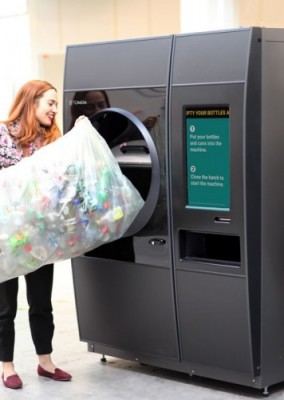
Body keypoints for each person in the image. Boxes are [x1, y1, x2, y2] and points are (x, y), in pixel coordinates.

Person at [0, 80, 72, 389]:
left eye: (56, 104)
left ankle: (45, 362)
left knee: (42, 302)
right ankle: (7, 366)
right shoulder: (2, 135)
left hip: (41, 235)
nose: (54, 110)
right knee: (5, 307)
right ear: (31, 102)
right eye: (50, 103)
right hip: (5, 237)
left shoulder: (52, 140)